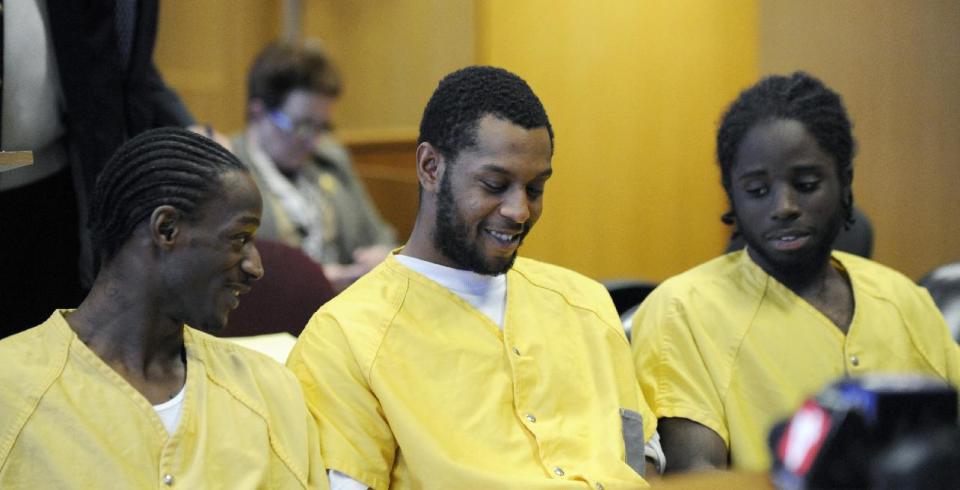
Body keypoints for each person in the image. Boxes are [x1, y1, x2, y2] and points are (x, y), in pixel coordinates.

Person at [287, 66, 663, 490]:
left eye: (535, 189)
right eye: (494, 184)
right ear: (430, 167)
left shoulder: (586, 304)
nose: (519, 210)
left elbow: (642, 464)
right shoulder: (345, 337)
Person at [631, 72, 960, 473]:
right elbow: (699, 478)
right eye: (757, 190)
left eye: (805, 184)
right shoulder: (682, 310)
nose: (783, 205)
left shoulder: (903, 298)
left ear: (845, 182)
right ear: (731, 195)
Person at [0, 128, 327, 488]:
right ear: (167, 228)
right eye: (239, 239)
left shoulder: (271, 391)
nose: (256, 267)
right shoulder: (11, 390)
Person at [0, 0, 202, 337]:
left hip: (53, 185)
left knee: (46, 351)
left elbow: (115, 69)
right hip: (27, 177)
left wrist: (186, 128)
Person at [233, 39, 396, 292]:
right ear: (258, 113)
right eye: (301, 126)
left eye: (322, 127)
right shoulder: (229, 173)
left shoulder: (330, 160)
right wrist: (310, 282)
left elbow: (379, 237)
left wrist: (381, 257)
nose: (313, 141)